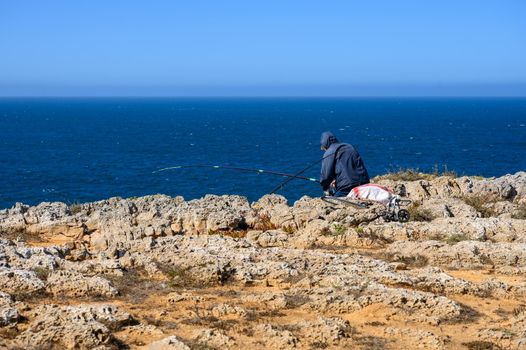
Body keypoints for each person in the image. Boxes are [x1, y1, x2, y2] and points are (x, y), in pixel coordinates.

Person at [319, 131, 370, 197]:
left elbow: (325, 177)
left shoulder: (329, 152)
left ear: (325, 145)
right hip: (364, 183)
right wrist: (337, 181)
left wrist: (325, 187)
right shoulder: (349, 146)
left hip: (347, 188)